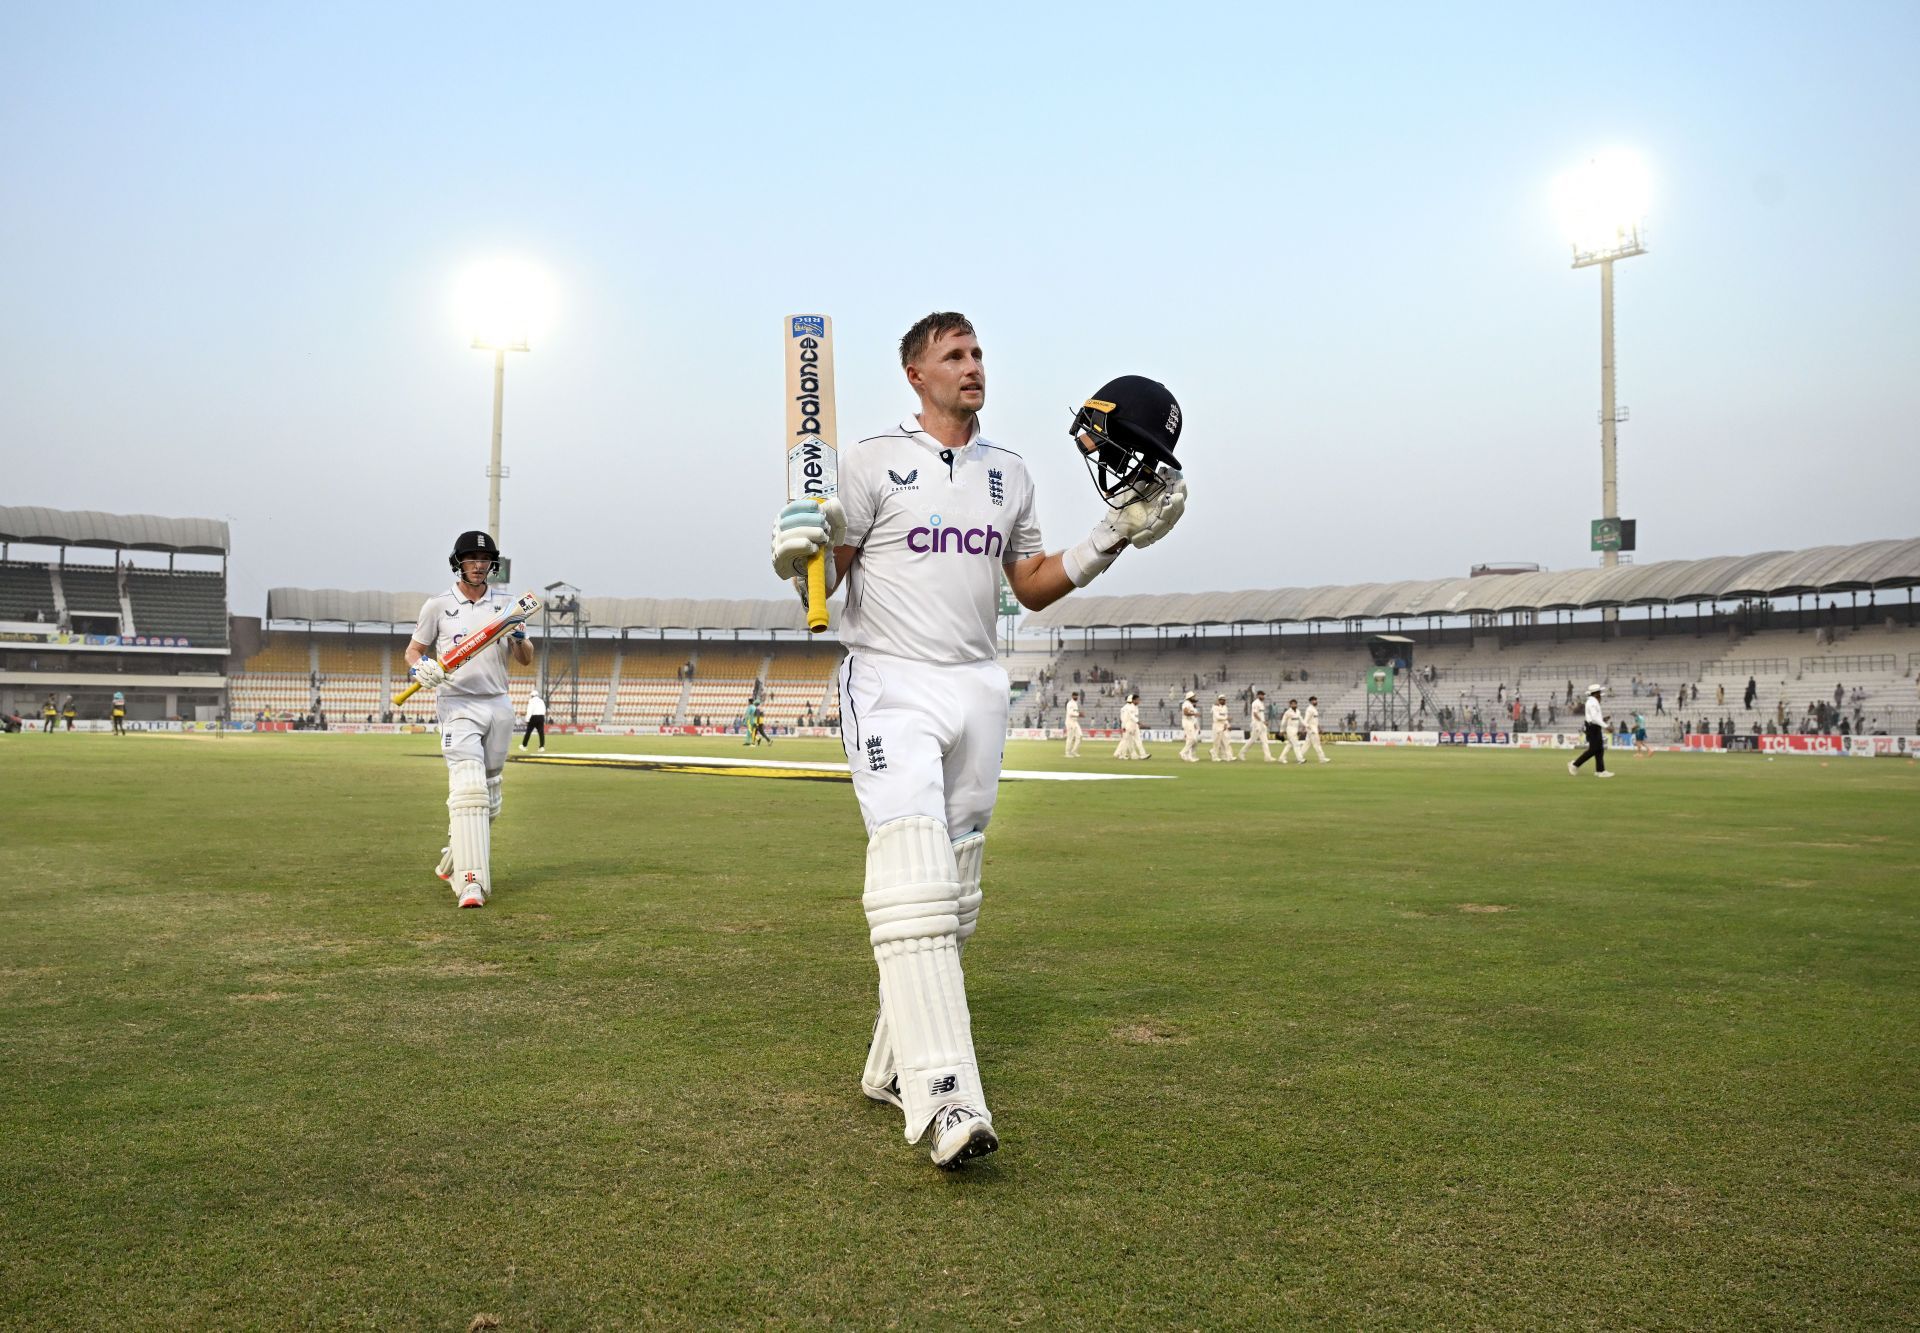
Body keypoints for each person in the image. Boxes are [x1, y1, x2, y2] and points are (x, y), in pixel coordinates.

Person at [768, 313, 1187, 1169]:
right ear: (916, 374)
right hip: (889, 679)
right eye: (954, 355)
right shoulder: (871, 460)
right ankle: (947, 1095)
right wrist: (801, 548)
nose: (973, 366)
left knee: (954, 894)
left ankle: (890, 1068)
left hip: (977, 685)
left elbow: (1030, 586)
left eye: (978, 353)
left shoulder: (1010, 474)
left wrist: (1112, 536)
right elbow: (828, 572)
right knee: (914, 873)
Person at [405, 530, 535, 909]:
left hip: (498, 704)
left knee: (490, 796)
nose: (478, 565)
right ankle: (471, 883)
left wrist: (520, 638)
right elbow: (413, 652)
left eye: (484, 559)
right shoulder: (438, 605)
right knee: (468, 789)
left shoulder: (508, 605)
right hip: (456, 703)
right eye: (470, 559)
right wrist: (420, 669)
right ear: (458, 562)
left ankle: (452, 859)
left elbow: (525, 659)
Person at [1569, 683, 1614, 778]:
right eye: (1599, 692)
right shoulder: (1592, 702)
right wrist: (1606, 726)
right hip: (1592, 728)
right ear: (1596, 693)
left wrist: (1603, 719)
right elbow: (1594, 718)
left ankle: (1600, 771)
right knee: (1594, 749)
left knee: (1599, 749)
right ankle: (1574, 765)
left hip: (1594, 727)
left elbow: (1595, 717)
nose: (1601, 694)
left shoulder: (1592, 701)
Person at [1238, 689, 1276, 762]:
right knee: (1252, 740)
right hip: (1256, 724)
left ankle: (1268, 757)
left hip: (1262, 724)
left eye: (1263, 695)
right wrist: (1263, 721)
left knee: (1265, 741)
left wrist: (1264, 722)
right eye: (1261, 695)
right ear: (1258, 695)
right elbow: (1255, 714)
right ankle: (1241, 753)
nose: (1263, 696)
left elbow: (1261, 714)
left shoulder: (1261, 703)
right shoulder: (1255, 703)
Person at [1114, 692, 1151, 760]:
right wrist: (1138, 723)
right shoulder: (1129, 707)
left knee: (1132, 740)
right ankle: (1121, 754)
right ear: (1132, 700)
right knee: (1127, 741)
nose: (1139, 701)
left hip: (1131, 725)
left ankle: (1139, 754)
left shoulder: (1129, 707)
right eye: (1137, 700)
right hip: (1129, 725)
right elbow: (1131, 717)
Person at [1301, 695, 1330, 763]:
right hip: (1312, 730)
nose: (1315, 701)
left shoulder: (1314, 709)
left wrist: (1319, 728)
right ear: (1311, 701)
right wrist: (1306, 728)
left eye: (1316, 700)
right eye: (1314, 700)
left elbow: (1315, 721)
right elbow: (1305, 720)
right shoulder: (1309, 709)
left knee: (1306, 744)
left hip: (1314, 729)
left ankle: (1299, 756)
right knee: (1317, 744)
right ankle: (1322, 759)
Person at [1209, 693, 1234, 762]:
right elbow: (1217, 717)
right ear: (1219, 700)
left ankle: (1228, 756)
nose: (1223, 701)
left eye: (1224, 700)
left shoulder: (1225, 707)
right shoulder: (1215, 707)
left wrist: (1227, 725)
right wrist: (1226, 718)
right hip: (1217, 726)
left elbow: (1225, 717)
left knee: (1226, 742)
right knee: (1217, 742)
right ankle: (1214, 757)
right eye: (1222, 700)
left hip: (1223, 726)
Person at [522, 686, 547, 751]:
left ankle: (524, 746)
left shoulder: (531, 701)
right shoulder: (541, 701)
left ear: (532, 696)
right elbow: (544, 709)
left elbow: (529, 710)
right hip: (541, 717)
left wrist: (527, 719)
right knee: (541, 732)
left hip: (534, 717)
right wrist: (542, 716)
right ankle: (541, 747)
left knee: (528, 732)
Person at [1179, 690, 1201, 763]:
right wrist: (1194, 714)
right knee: (1192, 739)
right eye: (1193, 696)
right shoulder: (1186, 703)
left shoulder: (1190, 704)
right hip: (1187, 722)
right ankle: (1183, 752)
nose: (1194, 697)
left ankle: (1189, 756)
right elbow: (1185, 712)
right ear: (1189, 697)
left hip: (1190, 722)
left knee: (1192, 740)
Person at [1281, 698, 1305, 764]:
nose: (1294, 705)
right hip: (1290, 730)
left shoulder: (1298, 711)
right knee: (1296, 744)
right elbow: (1283, 722)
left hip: (1295, 730)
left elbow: (1301, 720)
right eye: (1292, 704)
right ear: (1290, 705)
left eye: (1295, 704)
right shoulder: (1288, 712)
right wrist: (1282, 730)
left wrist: (1307, 726)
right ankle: (1300, 759)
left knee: (1289, 745)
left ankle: (1281, 758)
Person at [1063, 690, 1083, 757]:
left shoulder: (1075, 703)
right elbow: (1070, 713)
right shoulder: (1070, 703)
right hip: (1070, 722)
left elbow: (1075, 712)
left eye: (1077, 696)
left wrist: (1078, 714)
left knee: (1079, 736)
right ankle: (1067, 753)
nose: (1076, 697)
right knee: (1070, 737)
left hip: (1075, 722)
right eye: (1075, 696)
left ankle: (1074, 751)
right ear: (1072, 696)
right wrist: (1079, 714)